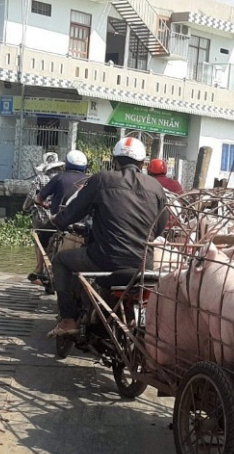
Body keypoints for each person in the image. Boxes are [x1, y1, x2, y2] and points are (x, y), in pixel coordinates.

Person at [48, 137, 168, 337]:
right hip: (143, 263)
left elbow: (73, 212)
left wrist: (56, 221)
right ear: (142, 164)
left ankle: (68, 320)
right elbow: (160, 226)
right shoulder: (155, 187)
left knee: (60, 260)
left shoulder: (101, 179)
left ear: (115, 161)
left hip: (104, 259)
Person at [25, 153, 66, 284]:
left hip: (42, 216)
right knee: (55, 242)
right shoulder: (62, 179)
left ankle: (39, 268)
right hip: (59, 216)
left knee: (39, 241)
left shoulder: (40, 179)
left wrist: (25, 207)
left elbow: (32, 197)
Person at [38, 149, 90, 216]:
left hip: (59, 220)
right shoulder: (90, 180)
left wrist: (44, 204)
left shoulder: (59, 178)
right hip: (84, 220)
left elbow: (38, 199)